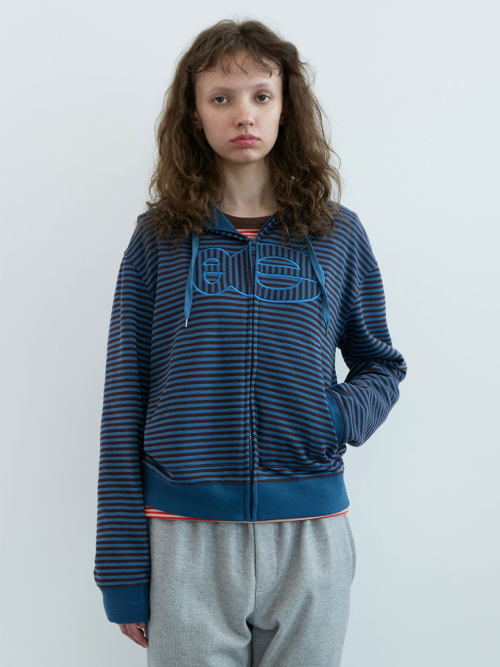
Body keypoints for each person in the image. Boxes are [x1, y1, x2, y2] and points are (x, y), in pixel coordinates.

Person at [93, 17, 408, 667]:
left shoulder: (337, 235)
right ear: (194, 114)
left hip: (310, 532)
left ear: (286, 107)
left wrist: (334, 417)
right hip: (185, 536)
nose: (244, 113)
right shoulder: (158, 240)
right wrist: (121, 570)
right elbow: (123, 399)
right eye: (221, 97)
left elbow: (381, 363)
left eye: (262, 95)